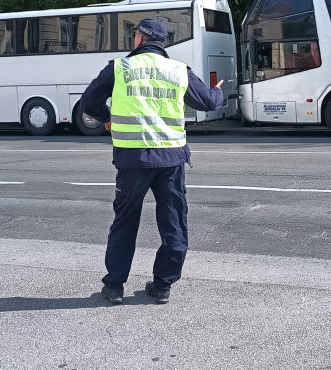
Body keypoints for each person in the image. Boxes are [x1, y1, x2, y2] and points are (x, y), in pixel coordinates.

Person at [79, 18, 225, 305]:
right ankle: (162, 286)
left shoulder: (120, 68)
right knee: (173, 221)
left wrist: (107, 119)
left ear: (139, 39)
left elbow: (88, 103)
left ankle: (114, 287)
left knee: (125, 221)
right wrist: (217, 89)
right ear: (163, 43)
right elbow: (208, 102)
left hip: (133, 160)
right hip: (170, 160)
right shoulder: (178, 70)